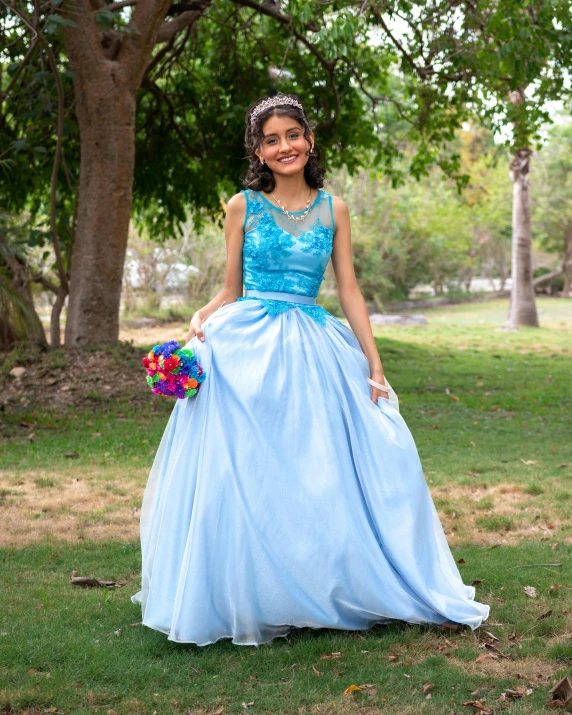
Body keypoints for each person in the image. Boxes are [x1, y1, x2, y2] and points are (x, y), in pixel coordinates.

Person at [131, 94, 490, 646]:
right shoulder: (242, 206)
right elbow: (230, 288)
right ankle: (251, 594)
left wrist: (374, 363)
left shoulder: (334, 208)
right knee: (250, 470)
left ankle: (322, 582)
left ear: (309, 139)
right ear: (259, 150)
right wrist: (201, 319)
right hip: (248, 343)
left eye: (292, 135)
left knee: (324, 465)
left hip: (313, 339)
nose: (284, 147)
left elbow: (348, 289)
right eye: (271, 139)